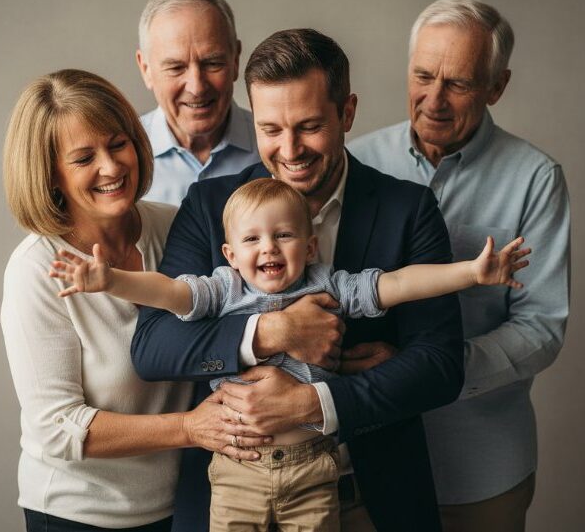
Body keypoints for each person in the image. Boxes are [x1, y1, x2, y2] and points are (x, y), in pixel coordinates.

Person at [51, 177, 529, 531]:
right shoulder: (224, 289)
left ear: (310, 244)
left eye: (283, 235)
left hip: (312, 467)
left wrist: (470, 273)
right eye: (252, 239)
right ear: (230, 254)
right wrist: (111, 281)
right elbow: (170, 294)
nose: (269, 248)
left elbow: (398, 283)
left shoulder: (330, 284)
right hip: (238, 468)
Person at [132, 29, 465, 532]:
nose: (290, 151)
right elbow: (154, 346)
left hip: (370, 500)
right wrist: (272, 333)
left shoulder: (407, 209)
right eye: (270, 129)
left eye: (309, 126)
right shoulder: (209, 206)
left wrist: (317, 400)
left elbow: (439, 364)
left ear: (347, 113)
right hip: (232, 498)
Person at [0, 69, 269, 532]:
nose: (111, 167)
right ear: (51, 176)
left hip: (182, 505)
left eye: (117, 143)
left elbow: (235, 318)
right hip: (77, 514)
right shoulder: (35, 269)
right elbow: (56, 426)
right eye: (84, 158)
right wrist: (188, 427)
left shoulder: (174, 228)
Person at [349, 0, 571, 532]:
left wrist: (423, 371)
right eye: (423, 75)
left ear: (497, 86)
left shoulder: (536, 178)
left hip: (480, 467)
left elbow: (541, 326)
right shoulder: (355, 159)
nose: (434, 99)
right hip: (364, 461)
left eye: (459, 83)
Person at [136, 0, 259, 206]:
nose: (197, 87)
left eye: (212, 63)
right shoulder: (122, 161)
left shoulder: (276, 150)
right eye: (175, 68)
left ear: (235, 60)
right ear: (146, 69)